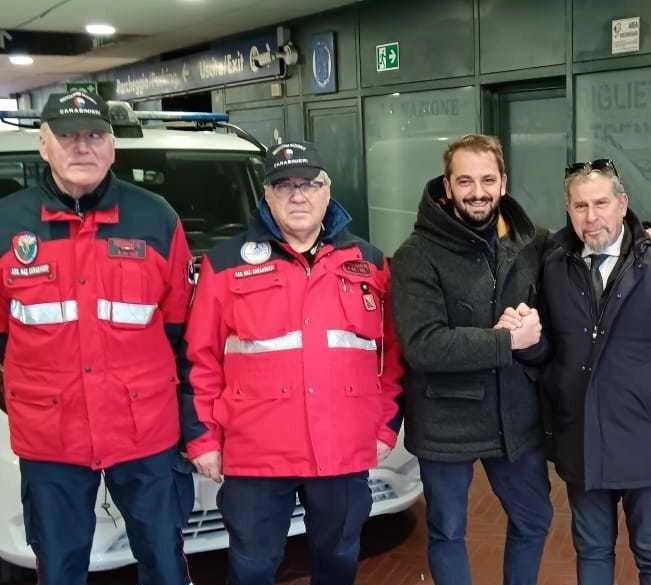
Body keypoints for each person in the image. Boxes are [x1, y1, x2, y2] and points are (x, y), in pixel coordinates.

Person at [391, 134, 651, 585]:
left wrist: (646, 236)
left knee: (533, 521)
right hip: (445, 424)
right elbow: (423, 345)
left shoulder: (532, 242)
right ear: (447, 187)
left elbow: (596, 231)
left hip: (514, 419)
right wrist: (504, 342)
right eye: (465, 181)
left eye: (488, 179)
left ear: (503, 183)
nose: (477, 191)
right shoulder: (416, 254)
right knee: (448, 532)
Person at [181, 140, 404, 585]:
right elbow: (197, 359)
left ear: (327, 191)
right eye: (284, 186)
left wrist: (385, 425)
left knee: (339, 560)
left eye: (309, 184)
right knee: (252, 566)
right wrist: (202, 438)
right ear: (266, 194)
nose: (297, 196)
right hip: (257, 452)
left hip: (340, 450)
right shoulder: (224, 265)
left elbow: (390, 358)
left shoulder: (370, 262)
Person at [0, 90, 194, 585]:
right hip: (51, 436)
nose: (81, 147)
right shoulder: (6, 224)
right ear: (42, 145)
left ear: (112, 147)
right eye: (66, 136)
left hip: (144, 430)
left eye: (94, 135)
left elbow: (179, 329)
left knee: (166, 564)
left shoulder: (156, 219)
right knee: (60, 567)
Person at [524, 159, 651, 585]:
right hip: (581, 439)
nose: (592, 217)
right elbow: (550, 347)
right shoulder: (554, 266)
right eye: (580, 206)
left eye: (601, 203)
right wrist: (529, 343)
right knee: (590, 550)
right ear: (568, 211)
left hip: (648, 437)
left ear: (622, 203)